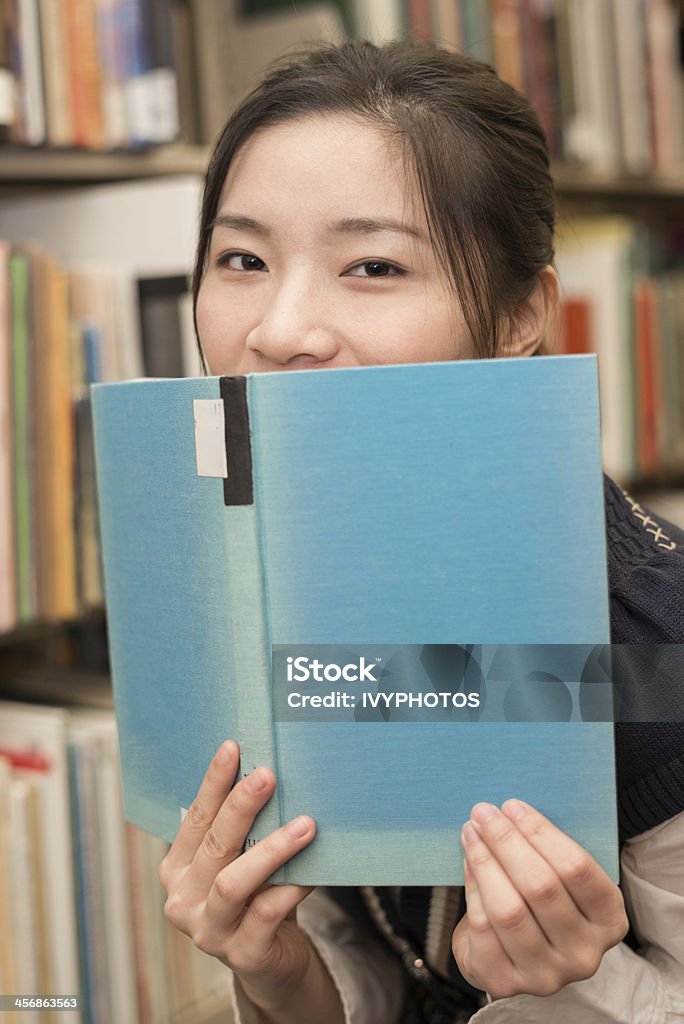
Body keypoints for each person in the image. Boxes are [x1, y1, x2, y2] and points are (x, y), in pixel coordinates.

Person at [158, 39, 684, 1024]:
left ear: (522, 312)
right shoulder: (276, 563)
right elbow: (375, 960)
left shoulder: (661, 644)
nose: (280, 328)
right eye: (242, 258)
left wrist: (564, 978)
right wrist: (278, 973)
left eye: (372, 264)